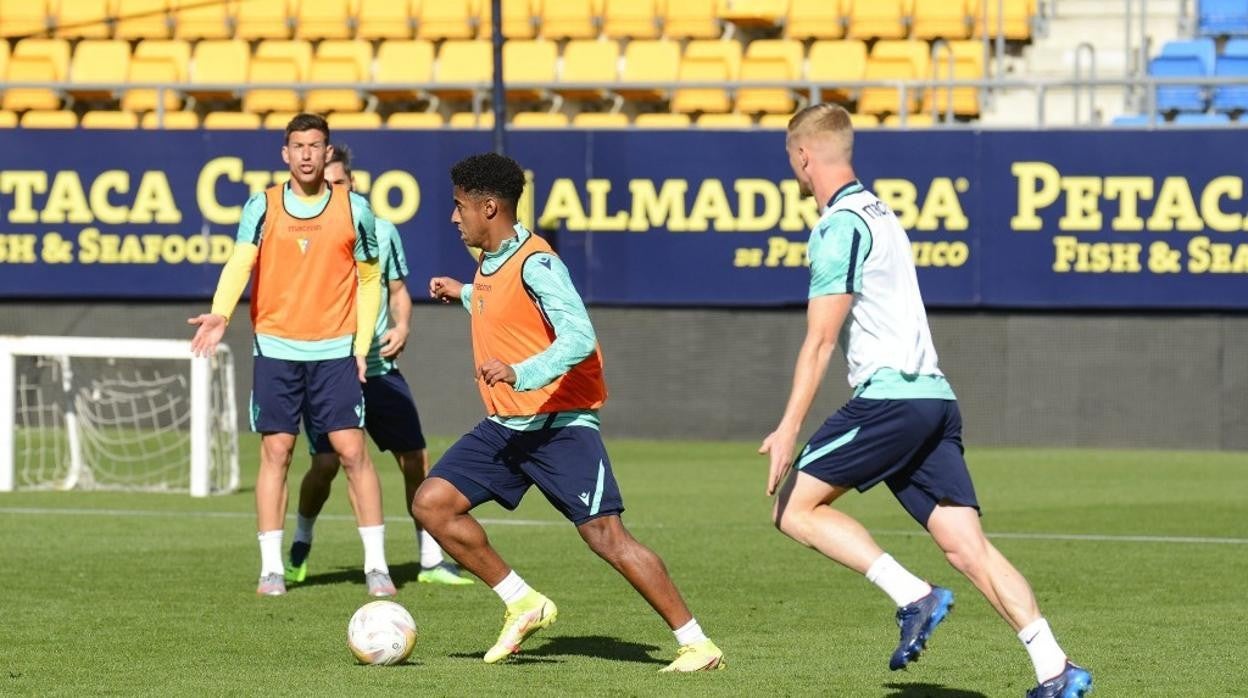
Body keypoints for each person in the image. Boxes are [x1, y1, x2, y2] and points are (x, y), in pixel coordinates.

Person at [759, 104, 1092, 698]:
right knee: (968, 548)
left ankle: (913, 593)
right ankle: (1055, 668)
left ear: (804, 157)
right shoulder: (881, 214)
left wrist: (788, 429)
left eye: (792, 159)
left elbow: (820, 340)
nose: (794, 170)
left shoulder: (839, 226)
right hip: (935, 399)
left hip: (890, 401)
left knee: (793, 510)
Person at [414, 153, 724, 672]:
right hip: (510, 426)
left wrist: (520, 372)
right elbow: (506, 307)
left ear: (489, 207)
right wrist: (464, 292)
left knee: (606, 537)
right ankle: (522, 601)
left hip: (559, 426)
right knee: (432, 504)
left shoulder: (538, 262)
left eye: (459, 206)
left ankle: (697, 643)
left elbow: (579, 336)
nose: (453, 217)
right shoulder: (491, 263)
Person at [189, 113, 395, 599]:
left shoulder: (354, 208)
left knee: (351, 451)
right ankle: (271, 570)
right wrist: (222, 313)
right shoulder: (261, 207)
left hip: (335, 352)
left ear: (328, 153)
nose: (306, 154)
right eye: (297, 145)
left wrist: (360, 346)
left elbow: (370, 279)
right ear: (285, 153)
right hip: (277, 350)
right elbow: (242, 260)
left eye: (315, 145)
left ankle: (377, 567)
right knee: (276, 452)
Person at [284, 144, 472, 587]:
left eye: (340, 182)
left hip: (380, 368)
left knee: (415, 457)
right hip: (329, 367)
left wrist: (403, 325)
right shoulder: (306, 234)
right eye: (325, 184)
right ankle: (300, 542)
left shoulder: (380, 231)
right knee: (327, 465)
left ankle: (430, 560)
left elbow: (397, 290)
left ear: (351, 183)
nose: (333, 190)